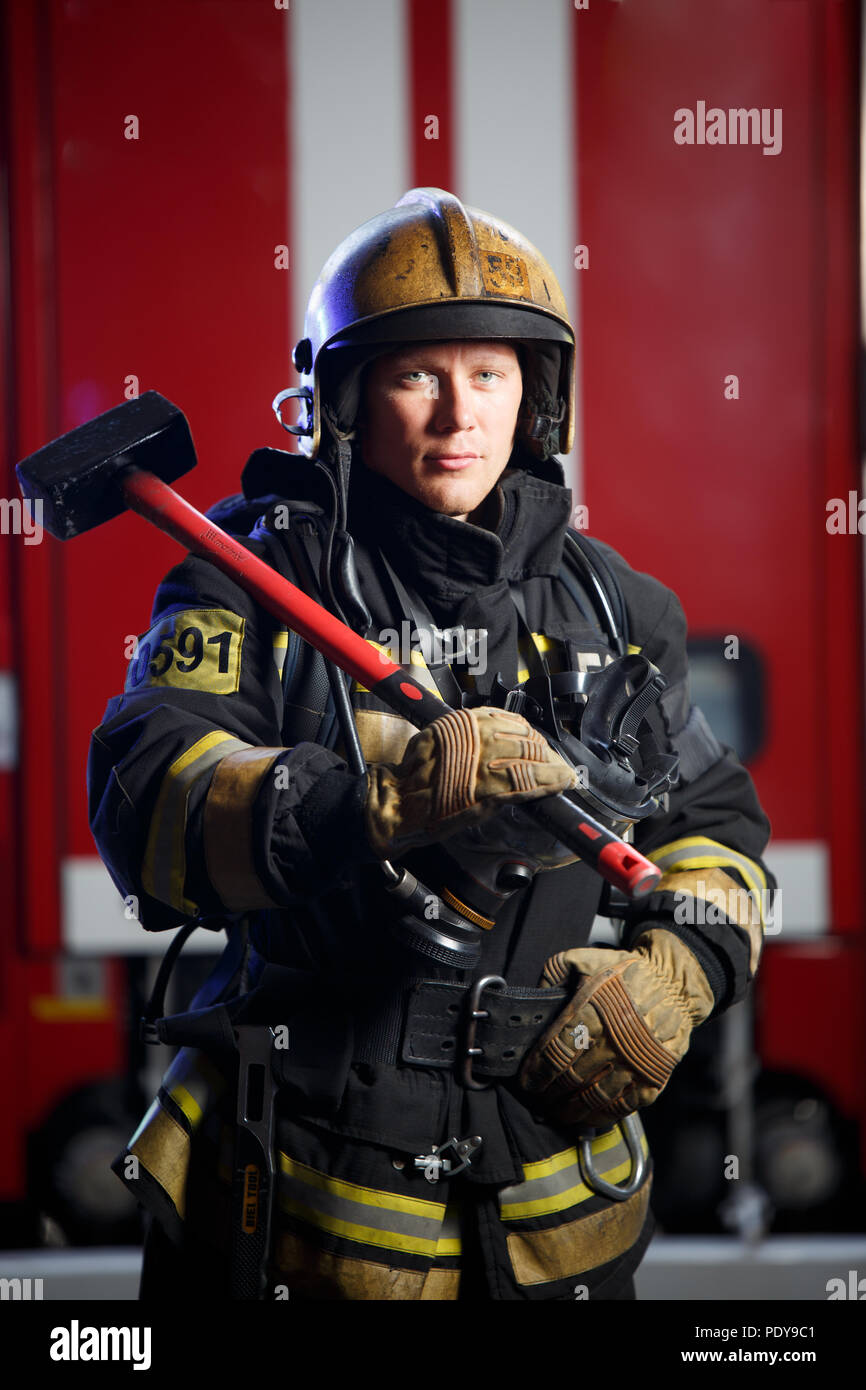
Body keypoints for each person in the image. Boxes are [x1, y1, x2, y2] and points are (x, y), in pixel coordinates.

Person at [90, 187, 775, 1301]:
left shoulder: (618, 610)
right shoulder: (247, 582)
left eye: (490, 375)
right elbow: (146, 802)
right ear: (341, 399)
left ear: (535, 398)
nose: (460, 416)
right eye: (417, 376)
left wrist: (679, 970)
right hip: (293, 1206)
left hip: (562, 1205)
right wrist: (375, 803)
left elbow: (719, 836)